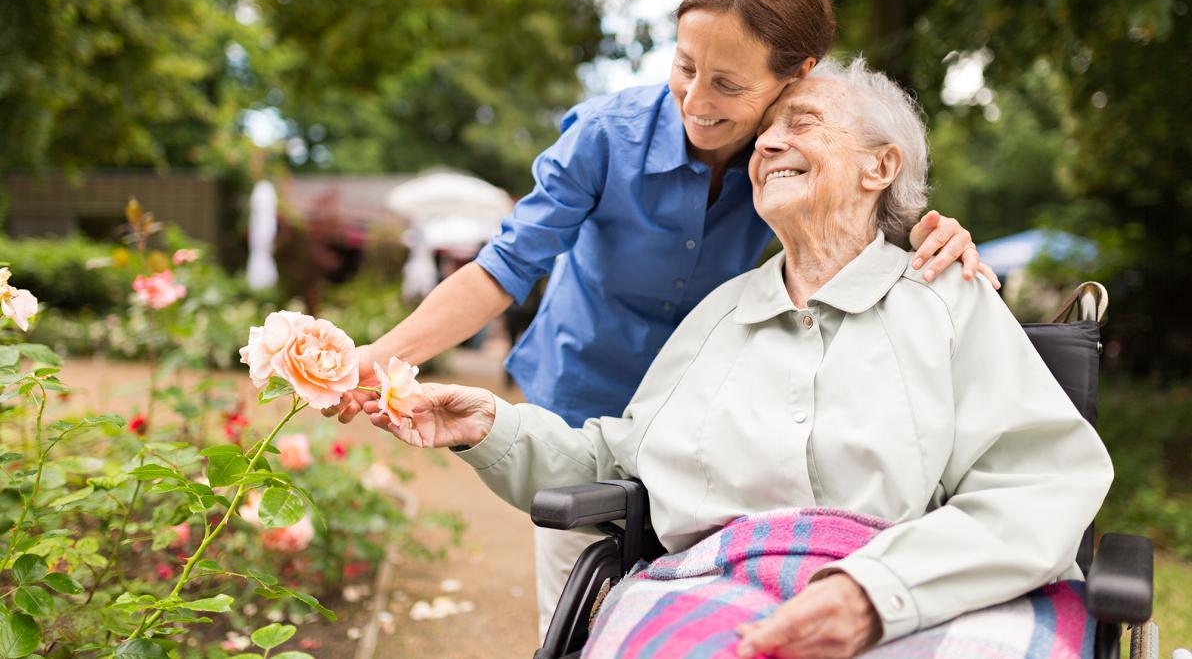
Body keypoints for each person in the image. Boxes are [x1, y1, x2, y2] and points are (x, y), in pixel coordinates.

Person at [325, 0, 996, 636]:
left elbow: (865, 207)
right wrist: (384, 354)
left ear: (795, 78)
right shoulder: (604, 137)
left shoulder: (787, 153)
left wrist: (936, 234)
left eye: (729, 86)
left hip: (706, 428)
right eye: (684, 67)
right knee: (577, 617)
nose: (697, 103)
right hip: (580, 399)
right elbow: (506, 265)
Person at [365, 58, 1113, 658]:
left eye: (804, 123)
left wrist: (875, 592)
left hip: (924, 590)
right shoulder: (721, 314)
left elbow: (1042, 483)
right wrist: (488, 426)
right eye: (765, 134)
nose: (767, 143)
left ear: (878, 167)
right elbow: (623, 460)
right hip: (717, 589)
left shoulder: (950, 301)